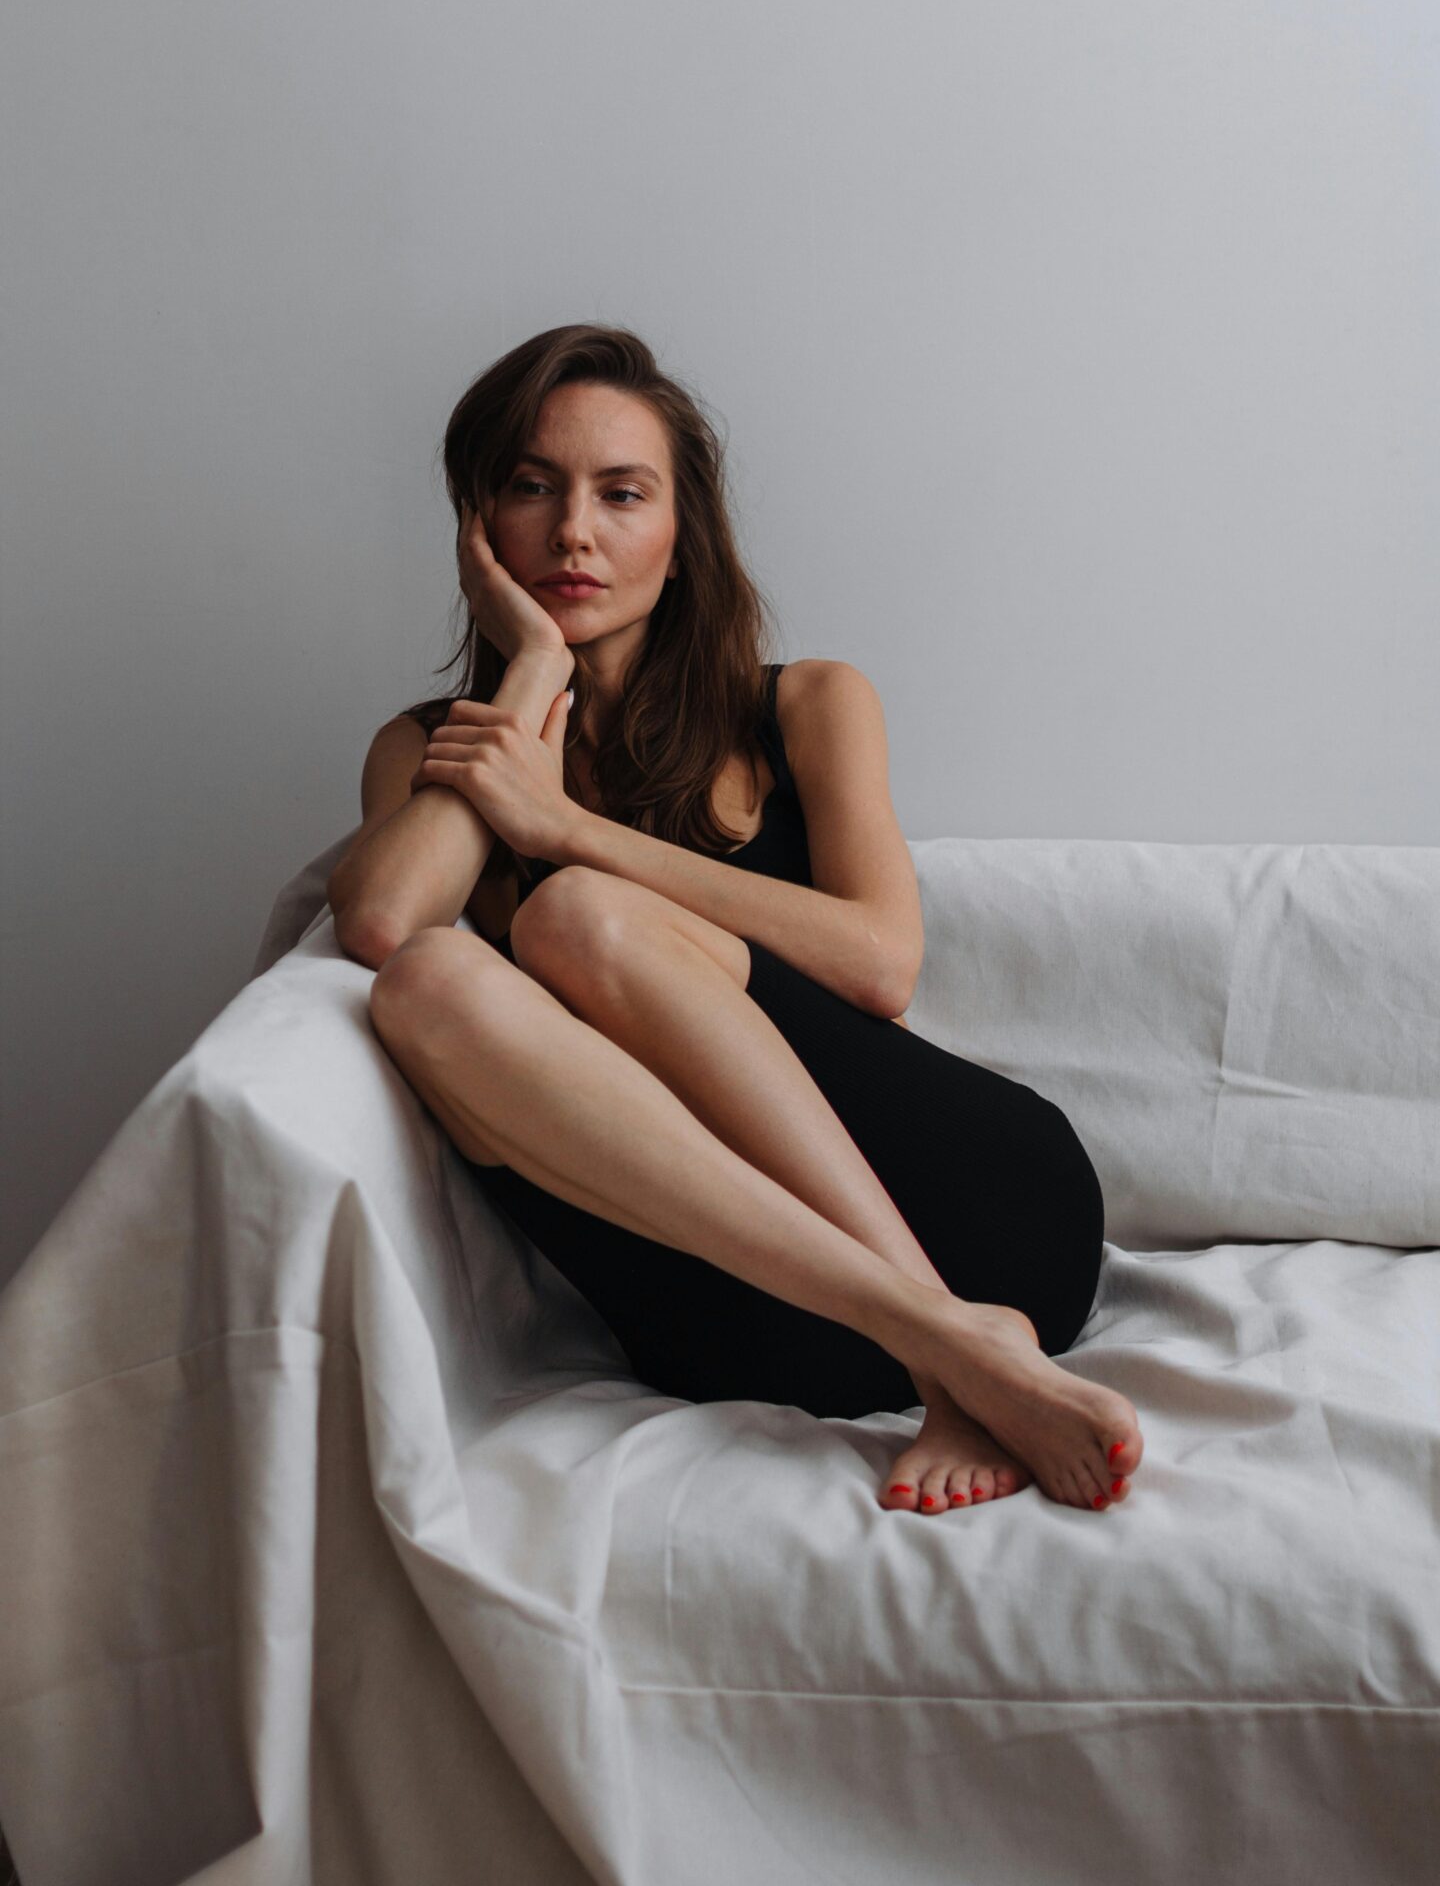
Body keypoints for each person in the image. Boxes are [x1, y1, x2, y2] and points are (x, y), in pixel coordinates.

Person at [329, 324, 1144, 1516]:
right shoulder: (428, 748)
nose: (573, 532)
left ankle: (952, 1341)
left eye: (622, 494)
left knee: (576, 919)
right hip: (738, 1313)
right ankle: (951, 1350)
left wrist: (568, 833)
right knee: (426, 986)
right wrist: (534, 671)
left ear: (682, 533)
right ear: (477, 528)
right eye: (532, 488)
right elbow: (382, 926)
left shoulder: (810, 704)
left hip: (983, 1223)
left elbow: (881, 966)